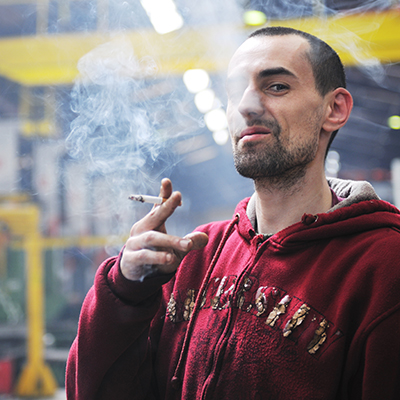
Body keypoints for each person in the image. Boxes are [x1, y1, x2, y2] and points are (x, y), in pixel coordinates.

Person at [66, 26, 400, 400]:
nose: (246, 105)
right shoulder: (196, 256)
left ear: (334, 109)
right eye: (234, 91)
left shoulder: (384, 267)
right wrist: (125, 290)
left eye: (276, 86)